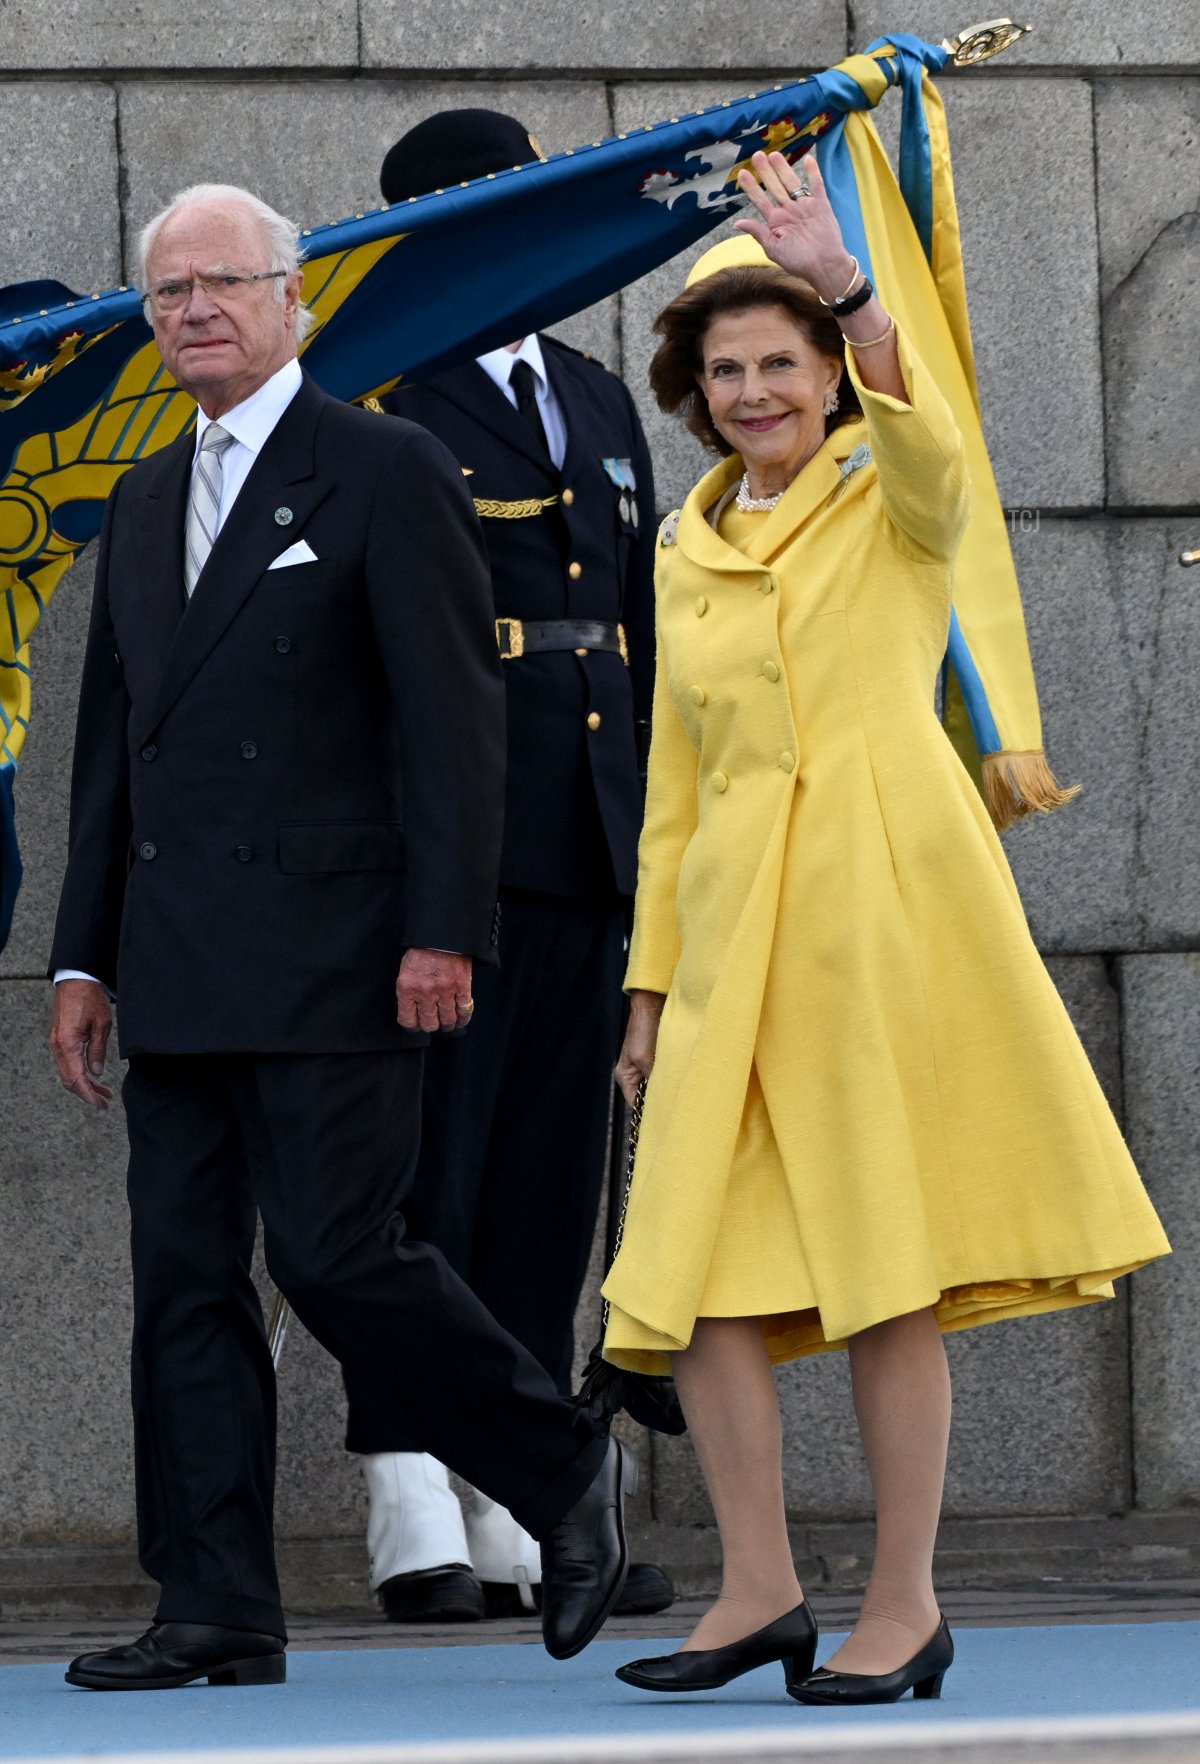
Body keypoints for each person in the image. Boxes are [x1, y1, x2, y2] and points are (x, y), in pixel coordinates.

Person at [46, 181, 636, 1692]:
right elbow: (116, 745)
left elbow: (457, 727)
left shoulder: (385, 465)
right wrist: (82, 953)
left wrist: (449, 927)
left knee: (339, 1256)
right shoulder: (138, 496)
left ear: (295, 299)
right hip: (177, 958)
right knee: (184, 1288)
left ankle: (557, 1466)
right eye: (169, 292)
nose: (193, 313)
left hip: (343, 951)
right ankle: (216, 1604)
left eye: (223, 284)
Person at [603, 150, 1171, 1706]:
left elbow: (940, 466)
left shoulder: (889, 492)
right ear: (691, 388)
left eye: (779, 363)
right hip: (729, 939)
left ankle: (906, 1604)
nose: (753, 391)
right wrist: (647, 991)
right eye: (725, 368)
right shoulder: (684, 542)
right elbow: (672, 785)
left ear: (829, 379)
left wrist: (851, 292)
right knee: (697, 1281)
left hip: (873, 915)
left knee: (881, 1269)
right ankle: (762, 1589)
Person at [342, 108, 672, 1625]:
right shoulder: (379, 396)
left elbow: (649, 640)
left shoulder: (601, 398)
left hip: (593, 835)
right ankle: (410, 1488)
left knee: (547, 1178)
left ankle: (527, 1493)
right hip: (444, 848)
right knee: (426, 1173)